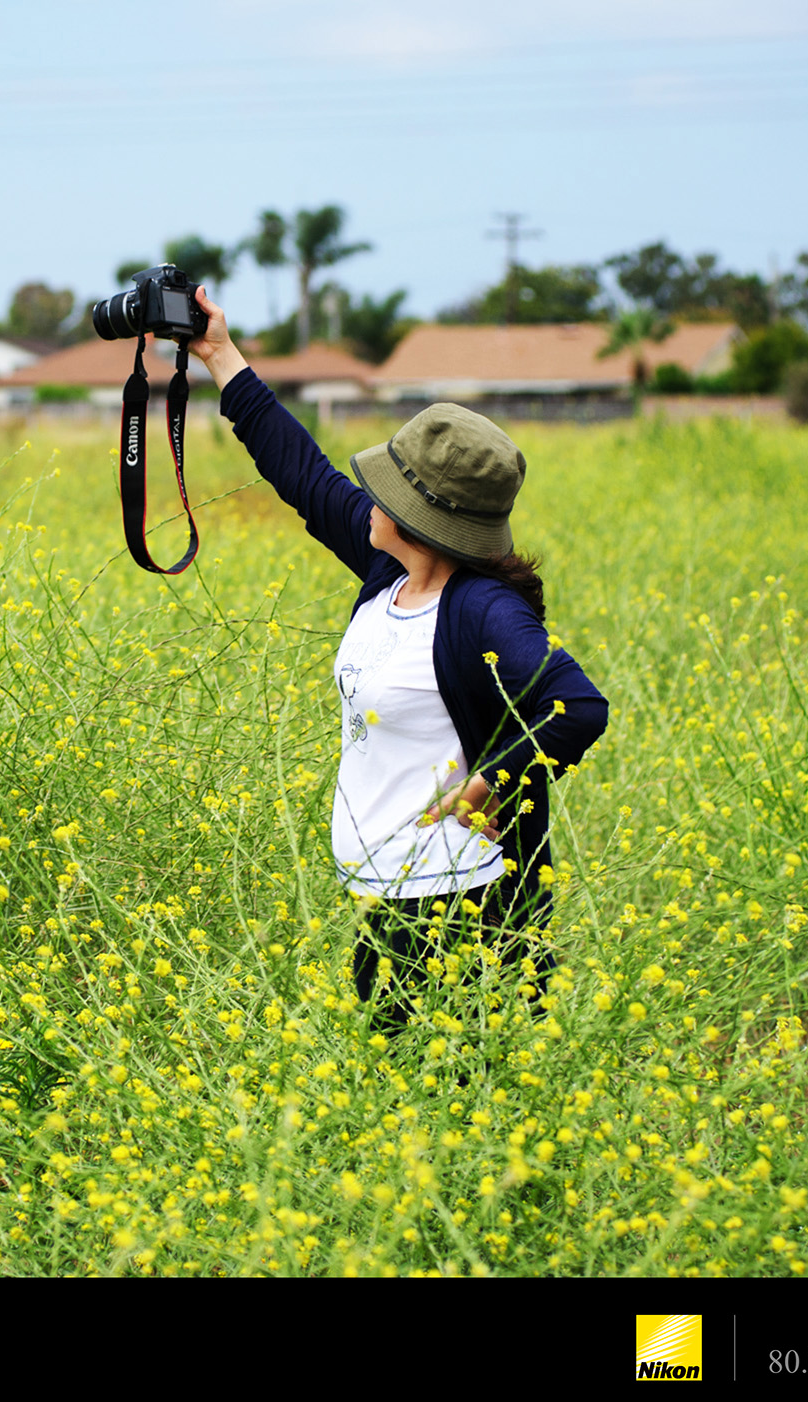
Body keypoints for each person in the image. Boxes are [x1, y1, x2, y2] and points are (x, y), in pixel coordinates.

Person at [184, 287, 609, 1039]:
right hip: (394, 894)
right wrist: (220, 355)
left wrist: (493, 780)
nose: (365, 494)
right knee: (404, 1081)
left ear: (423, 517)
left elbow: (578, 706)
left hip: (463, 902)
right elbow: (303, 474)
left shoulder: (480, 609)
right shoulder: (392, 570)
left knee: (454, 1081)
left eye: (385, 485)